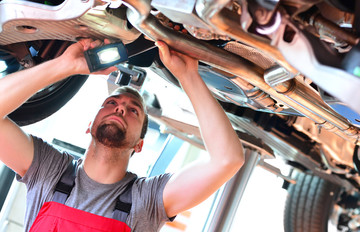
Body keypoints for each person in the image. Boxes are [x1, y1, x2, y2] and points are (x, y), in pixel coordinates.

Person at [0, 39, 245, 231]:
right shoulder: (49, 171)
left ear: (139, 144)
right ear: (89, 125)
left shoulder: (146, 200)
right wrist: (65, 65)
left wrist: (188, 76)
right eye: (111, 102)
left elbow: (227, 160)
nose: (121, 108)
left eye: (133, 111)